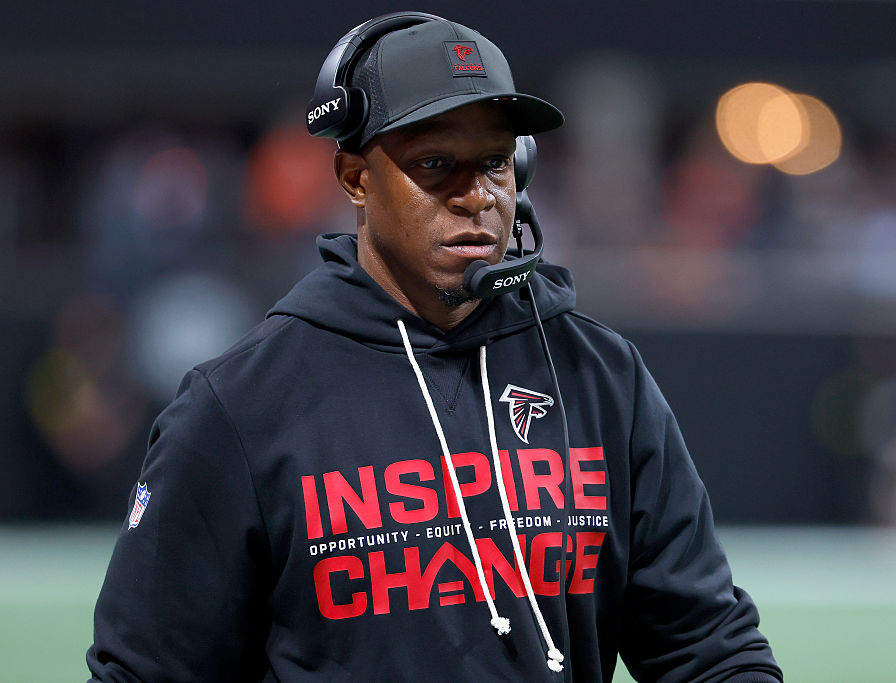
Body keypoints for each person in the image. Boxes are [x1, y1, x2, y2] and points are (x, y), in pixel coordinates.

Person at [88, 13, 782, 682]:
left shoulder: (601, 375)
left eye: (495, 163)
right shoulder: (238, 406)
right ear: (356, 178)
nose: (476, 194)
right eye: (436, 164)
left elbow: (710, 649)